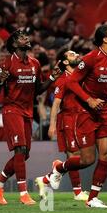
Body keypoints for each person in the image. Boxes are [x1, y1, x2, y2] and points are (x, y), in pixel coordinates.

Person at [39, 24, 107, 208]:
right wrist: (89, 99)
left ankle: (92, 198)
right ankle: (59, 168)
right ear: (104, 39)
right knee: (87, 159)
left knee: (105, 153)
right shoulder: (90, 59)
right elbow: (71, 82)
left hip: (104, 113)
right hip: (85, 113)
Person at [0, 29, 61, 205]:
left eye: (26, 36)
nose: (26, 38)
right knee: (19, 149)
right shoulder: (8, 63)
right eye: (21, 37)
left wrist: (52, 77)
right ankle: (23, 194)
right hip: (12, 110)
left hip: (27, 111)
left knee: (24, 154)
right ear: (14, 44)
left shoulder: (34, 63)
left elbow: (38, 90)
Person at [34, 49, 89, 201]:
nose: (77, 55)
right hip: (68, 120)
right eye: (72, 54)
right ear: (65, 62)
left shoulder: (81, 76)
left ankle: (46, 179)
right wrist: (52, 125)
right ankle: (77, 193)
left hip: (81, 120)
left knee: (83, 157)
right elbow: (56, 103)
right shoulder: (63, 80)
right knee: (74, 156)